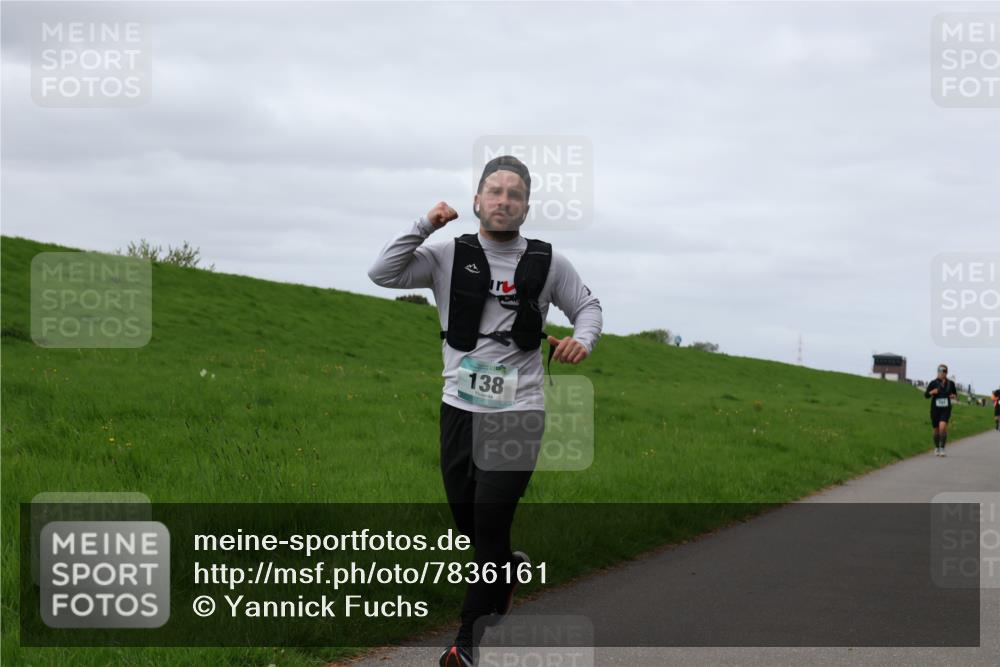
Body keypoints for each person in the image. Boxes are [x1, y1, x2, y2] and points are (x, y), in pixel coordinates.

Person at [368, 155, 603, 667]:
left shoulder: (549, 262)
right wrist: (425, 223)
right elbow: (382, 272)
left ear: (526, 207)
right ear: (477, 200)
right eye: (494, 191)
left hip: (520, 410)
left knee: (491, 519)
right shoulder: (447, 254)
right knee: (469, 523)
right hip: (459, 406)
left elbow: (588, 307)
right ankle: (506, 571)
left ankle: (466, 642)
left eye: (515, 194)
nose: (503, 200)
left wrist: (582, 341)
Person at [924, 364, 958, 457]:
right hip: (935, 409)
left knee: (942, 427)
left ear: (946, 372)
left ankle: (942, 448)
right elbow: (926, 395)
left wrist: (953, 396)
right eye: (939, 371)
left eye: (943, 371)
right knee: (936, 430)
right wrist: (932, 392)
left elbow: (955, 394)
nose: (941, 373)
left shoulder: (951, 384)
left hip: (945, 409)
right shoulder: (933, 383)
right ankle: (937, 448)